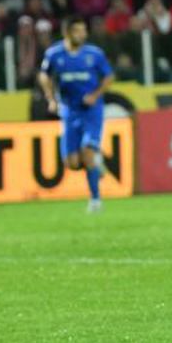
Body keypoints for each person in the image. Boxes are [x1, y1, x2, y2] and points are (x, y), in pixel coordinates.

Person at [37, 16, 114, 213]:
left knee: (87, 152)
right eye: (78, 31)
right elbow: (44, 75)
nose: (83, 34)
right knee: (71, 163)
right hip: (69, 111)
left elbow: (109, 76)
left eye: (84, 30)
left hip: (91, 111)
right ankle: (96, 163)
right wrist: (51, 98)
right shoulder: (54, 53)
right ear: (67, 33)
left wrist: (95, 95)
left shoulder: (94, 54)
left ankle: (95, 200)